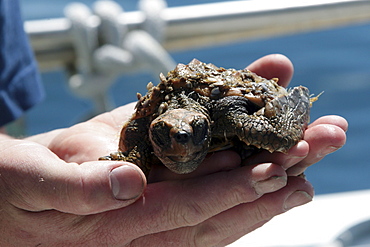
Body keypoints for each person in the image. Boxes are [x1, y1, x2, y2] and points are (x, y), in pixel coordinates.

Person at [0, 0, 347, 246]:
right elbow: (136, 132)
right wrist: (134, 156)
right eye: (164, 136)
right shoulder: (144, 126)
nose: (180, 141)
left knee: (279, 137)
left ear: (206, 127)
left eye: (191, 134)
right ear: (153, 130)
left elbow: (276, 126)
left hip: (224, 97)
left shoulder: (228, 116)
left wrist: (291, 108)